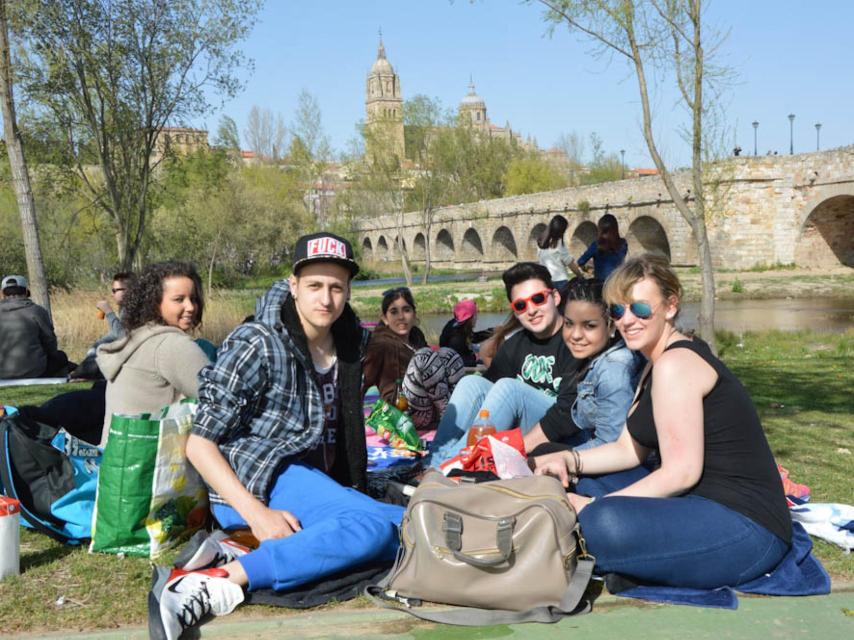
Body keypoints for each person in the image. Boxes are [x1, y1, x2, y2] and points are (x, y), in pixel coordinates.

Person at [149, 233, 404, 640]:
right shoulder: (259, 343)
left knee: (409, 526)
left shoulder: (351, 342)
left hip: (312, 483)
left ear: (349, 290)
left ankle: (241, 548)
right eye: (315, 286)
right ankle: (214, 580)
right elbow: (200, 443)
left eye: (336, 287)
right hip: (257, 480)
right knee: (370, 531)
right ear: (293, 285)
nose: (326, 299)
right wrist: (257, 516)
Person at [533, 254, 792, 589]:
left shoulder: (676, 363)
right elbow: (629, 449)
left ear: (670, 306)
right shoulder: (651, 363)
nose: (627, 320)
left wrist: (594, 507)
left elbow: (681, 472)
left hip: (747, 528)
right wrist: (570, 458)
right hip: (696, 503)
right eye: (618, 310)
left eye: (640, 309)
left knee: (600, 522)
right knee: (573, 472)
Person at [427, 262, 574, 465]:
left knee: (510, 389)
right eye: (521, 305)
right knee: (471, 383)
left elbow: (572, 411)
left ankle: (454, 465)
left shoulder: (576, 339)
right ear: (514, 311)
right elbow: (484, 396)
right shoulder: (515, 344)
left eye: (538, 299)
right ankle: (434, 460)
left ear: (555, 297)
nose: (531, 310)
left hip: (561, 428)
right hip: (523, 426)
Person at [521, 277, 644, 454]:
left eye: (589, 326)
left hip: (616, 463)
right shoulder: (592, 356)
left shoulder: (613, 371)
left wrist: (562, 459)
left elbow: (612, 445)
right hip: (590, 442)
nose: (575, 335)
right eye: (569, 324)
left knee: (540, 454)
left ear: (611, 327)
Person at [96, 261, 210, 447]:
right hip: (150, 468)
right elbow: (223, 400)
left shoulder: (137, 337)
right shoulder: (172, 345)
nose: (190, 307)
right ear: (154, 302)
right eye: (179, 299)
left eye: (194, 299)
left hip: (114, 464)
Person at [363, 287, 464, 428]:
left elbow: (434, 368)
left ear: (414, 314)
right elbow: (362, 381)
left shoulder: (416, 335)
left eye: (406, 310)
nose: (401, 317)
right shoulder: (379, 343)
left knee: (448, 354)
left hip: (429, 408)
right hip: (400, 412)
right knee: (424, 356)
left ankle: (457, 409)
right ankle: (448, 420)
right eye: (394, 312)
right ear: (385, 319)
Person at [0, 274, 71, 379]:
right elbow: (50, 343)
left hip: (2, 373)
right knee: (61, 357)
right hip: (35, 371)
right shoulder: (37, 311)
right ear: (26, 292)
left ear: (2, 294)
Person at [573, 213, 628, 281]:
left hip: (601, 285)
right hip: (618, 283)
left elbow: (580, 262)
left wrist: (590, 270)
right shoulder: (623, 244)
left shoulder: (596, 245)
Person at [438, 299, 493, 367]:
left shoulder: (456, 324)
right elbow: (459, 361)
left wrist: (492, 331)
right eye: (475, 315)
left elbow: (473, 338)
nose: (477, 318)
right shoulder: (457, 337)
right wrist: (476, 359)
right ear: (470, 318)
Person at [537, 214, 579, 291]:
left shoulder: (541, 241)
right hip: (560, 282)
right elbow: (570, 263)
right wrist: (580, 275)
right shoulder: (559, 244)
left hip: (545, 281)